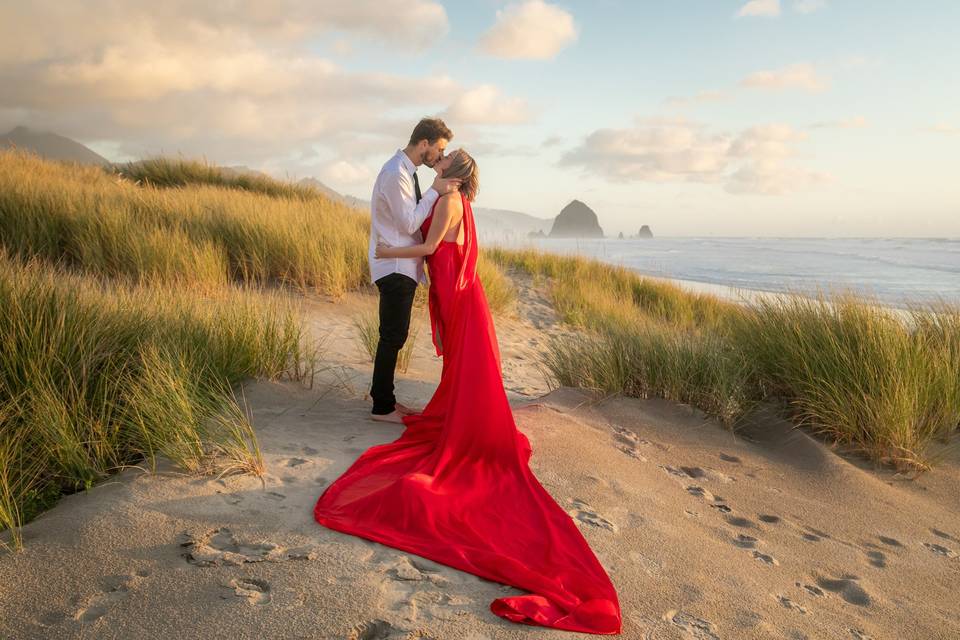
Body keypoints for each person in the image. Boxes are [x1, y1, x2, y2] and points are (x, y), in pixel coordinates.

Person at [314, 148, 623, 634]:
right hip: (456, 293)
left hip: (458, 296)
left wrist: (388, 253)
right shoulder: (446, 195)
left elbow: (429, 247)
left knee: (466, 375)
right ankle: (461, 417)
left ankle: (468, 426)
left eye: (449, 156)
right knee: (462, 370)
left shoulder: (450, 200)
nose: (442, 156)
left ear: (455, 172)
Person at [367, 117, 461, 424]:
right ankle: (382, 407)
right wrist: (434, 191)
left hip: (401, 265)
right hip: (395, 266)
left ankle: (385, 399)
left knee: (395, 335)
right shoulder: (397, 174)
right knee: (392, 336)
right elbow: (409, 223)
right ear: (424, 144)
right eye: (439, 149)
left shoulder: (405, 172)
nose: (439, 155)